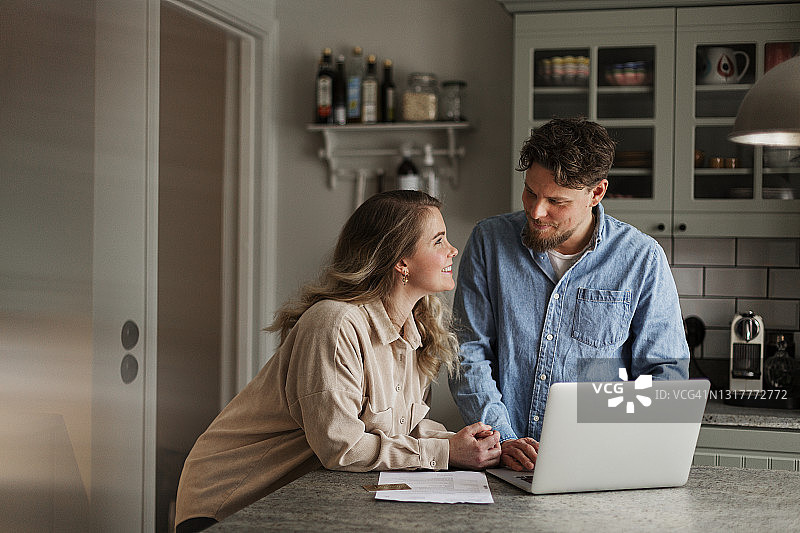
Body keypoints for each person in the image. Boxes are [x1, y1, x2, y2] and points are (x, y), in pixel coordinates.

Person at [175, 190, 501, 532]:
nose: (453, 250)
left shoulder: (414, 330)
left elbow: (403, 428)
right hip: (230, 503)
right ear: (401, 262)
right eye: (438, 241)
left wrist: (478, 445)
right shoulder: (334, 324)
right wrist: (445, 454)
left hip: (291, 500)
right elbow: (342, 448)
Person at [449, 117, 689, 473]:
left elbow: (665, 373)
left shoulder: (641, 258)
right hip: (501, 465)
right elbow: (467, 352)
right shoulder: (489, 242)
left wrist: (602, 441)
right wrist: (502, 437)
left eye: (556, 200)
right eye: (530, 191)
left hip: (597, 466)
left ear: (596, 193)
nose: (536, 210)